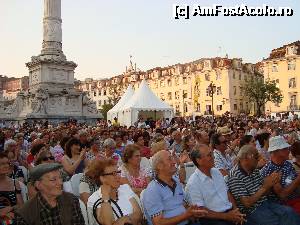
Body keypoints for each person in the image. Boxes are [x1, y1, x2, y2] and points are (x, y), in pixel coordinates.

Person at [227, 144, 300, 225]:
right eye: (256, 157)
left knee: (289, 212)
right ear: (246, 158)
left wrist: (272, 183)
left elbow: (265, 192)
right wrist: (265, 186)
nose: (259, 159)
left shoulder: (253, 169)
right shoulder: (235, 176)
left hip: (265, 203)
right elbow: (247, 203)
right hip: (252, 211)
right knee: (277, 221)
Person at [143, 150, 208, 225]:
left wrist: (193, 212)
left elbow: (182, 204)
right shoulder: (152, 190)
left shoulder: (176, 182)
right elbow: (158, 222)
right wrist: (186, 215)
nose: (174, 162)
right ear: (159, 166)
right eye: (169, 159)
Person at [186, 144, 245, 225]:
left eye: (212, 154)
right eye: (209, 155)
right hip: (214, 220)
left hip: (230, 213)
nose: (213, 157)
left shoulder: (216, 172)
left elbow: (227, 193)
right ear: (198, 160)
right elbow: (201, 211)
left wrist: (236, 211)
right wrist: (226, 216)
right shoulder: (193, 183)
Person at [15, 163, 85, 225]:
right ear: (38, 185)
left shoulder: (71, 200)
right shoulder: (25, 215)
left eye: (60, 178)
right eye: (53, 179)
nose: (60, 182)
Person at [87, 159, 142, 225]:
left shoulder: (125, 188)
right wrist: (105, 195)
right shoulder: (94, 199)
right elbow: (108, 222)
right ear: (102, 178)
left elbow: (138, 213)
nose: (118, 176)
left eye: (118, 172)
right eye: (113, 174)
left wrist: (126, 219)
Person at [261, 136, 300, 214]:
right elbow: (282, 195)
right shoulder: (269, 170)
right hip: (285, 205)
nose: (289, 151)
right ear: (276, 151)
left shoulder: (286, 163)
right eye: (285, 149)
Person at [0, 152, 23, 224]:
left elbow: (21, 206)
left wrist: (10, 209)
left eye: (7, 163)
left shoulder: (14, 183)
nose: (6, 166)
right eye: (2, 164)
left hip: (11, 218)